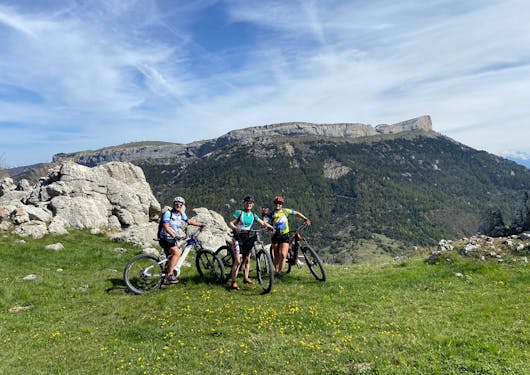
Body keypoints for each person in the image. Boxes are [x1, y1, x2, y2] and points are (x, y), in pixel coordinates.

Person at [228, 195, 274, 290]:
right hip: (238, 237)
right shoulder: (239, 212)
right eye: (247, 203)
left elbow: (262, 222)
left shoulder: (253, 215)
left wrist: (270, 227)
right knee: (238, 260)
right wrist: (235, 228)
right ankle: (233, 282)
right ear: (244, 203)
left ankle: (246, 278)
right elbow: (231, 223)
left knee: (247, 259)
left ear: (252, 205)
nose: (249, 205)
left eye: (251, 203)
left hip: (248, 238)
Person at [159, 196, 204, 285]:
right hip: (165, 238)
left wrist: (200, 225)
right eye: (176, 204)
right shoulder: (168, 213)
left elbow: (189, 221)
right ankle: (170, 275)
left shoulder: (180, 214)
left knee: (171, 257)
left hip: (171, 239)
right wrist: (174, 235)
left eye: (180, 204)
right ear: (173, 204)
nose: (178, 205)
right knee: (177, 252)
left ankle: (164, 280)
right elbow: (166, 226)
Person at [264, 195, 311, 276]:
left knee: (283, 255)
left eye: (280, 203)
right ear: (274, 204)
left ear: (282, 204)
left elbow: (296, 213)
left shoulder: (285, 211)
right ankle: (276, 269)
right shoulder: (271, 214)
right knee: (276, 255)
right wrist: (267, 222)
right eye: (276, 203)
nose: (278, 205)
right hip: (275, 236)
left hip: (285, 235)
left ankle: (278, 273)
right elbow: (264, 221)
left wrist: (305, 219)